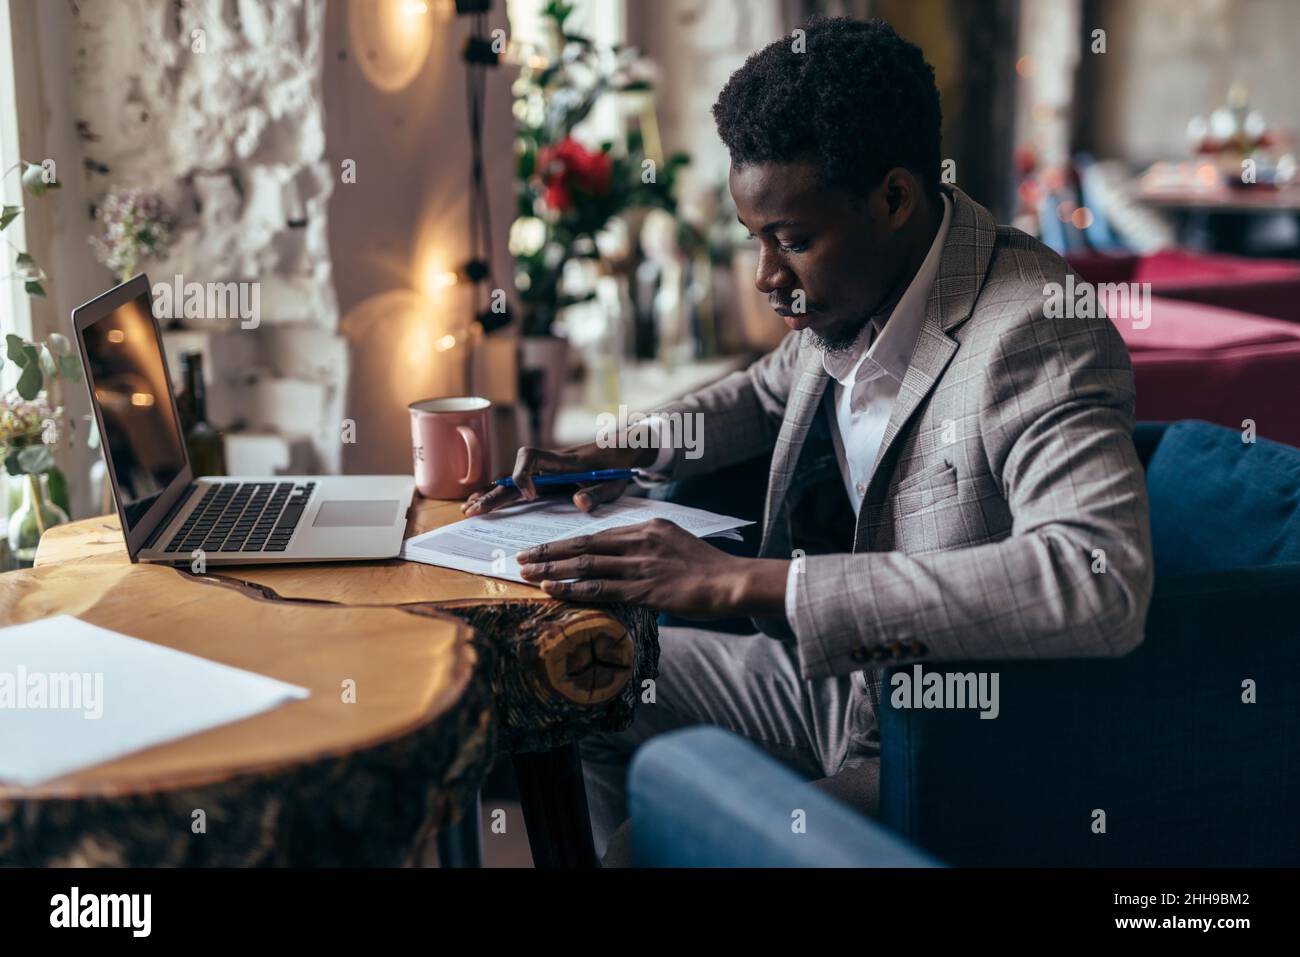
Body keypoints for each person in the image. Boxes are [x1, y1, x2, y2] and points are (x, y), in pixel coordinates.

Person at [465, 16, 1152, 865]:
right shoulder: (860, 288)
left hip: (954, 739)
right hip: (835, 689)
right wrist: (621, 450)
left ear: (894, 199)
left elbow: (1097, 578)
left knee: (657, 842)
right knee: (586, 680)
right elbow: (764, 392)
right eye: (755, 238)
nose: (766, 276)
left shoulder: (1036, 327)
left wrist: (744, 582)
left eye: (791, 240)